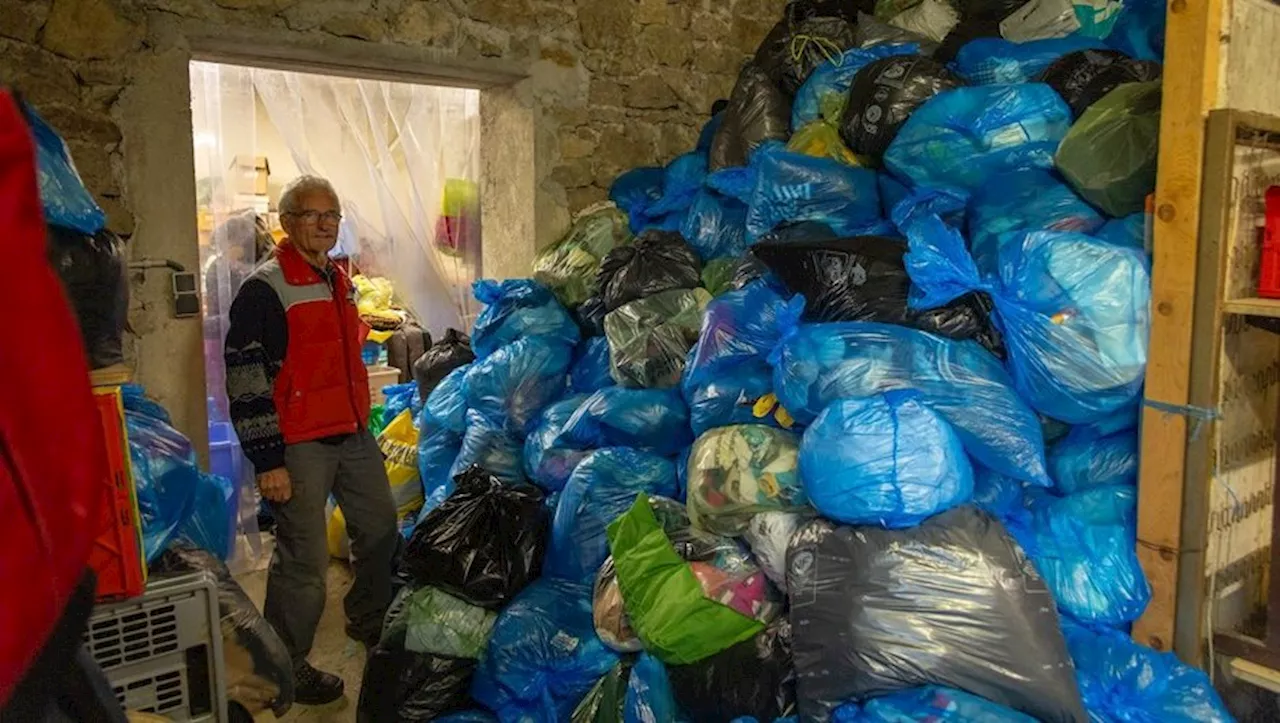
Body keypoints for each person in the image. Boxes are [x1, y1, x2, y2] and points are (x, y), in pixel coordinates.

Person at [224, 175, 397, 706]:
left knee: (380, 529)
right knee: (304, 564)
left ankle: (368, 620)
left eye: (332, 215)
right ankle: (286, 665)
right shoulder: (265, 288)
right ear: (287, 221)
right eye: (312, 215)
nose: (324, 224)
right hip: (298, 443)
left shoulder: (337, 278)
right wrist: (267, 461)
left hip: (351, 432)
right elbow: (246, 379)